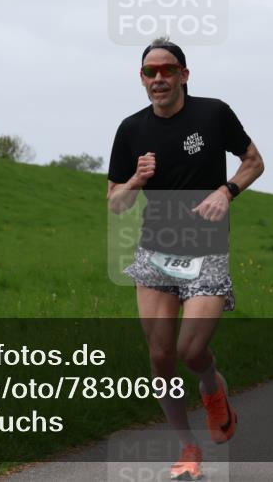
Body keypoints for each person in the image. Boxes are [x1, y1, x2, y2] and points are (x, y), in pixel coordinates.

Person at [108, 37, 263, 481]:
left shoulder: (213, 114)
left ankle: (213, 390)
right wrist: (136, 179)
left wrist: (226, 191)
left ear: (184, 75)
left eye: (167, 70)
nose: (158, 78)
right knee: (160, 358)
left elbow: (254, 161)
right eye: (150, 72)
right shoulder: (131, 129)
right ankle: (188, 446)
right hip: (155, 252)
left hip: (206, 251)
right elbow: (114, 203)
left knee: (190, 350)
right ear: (142, 79)